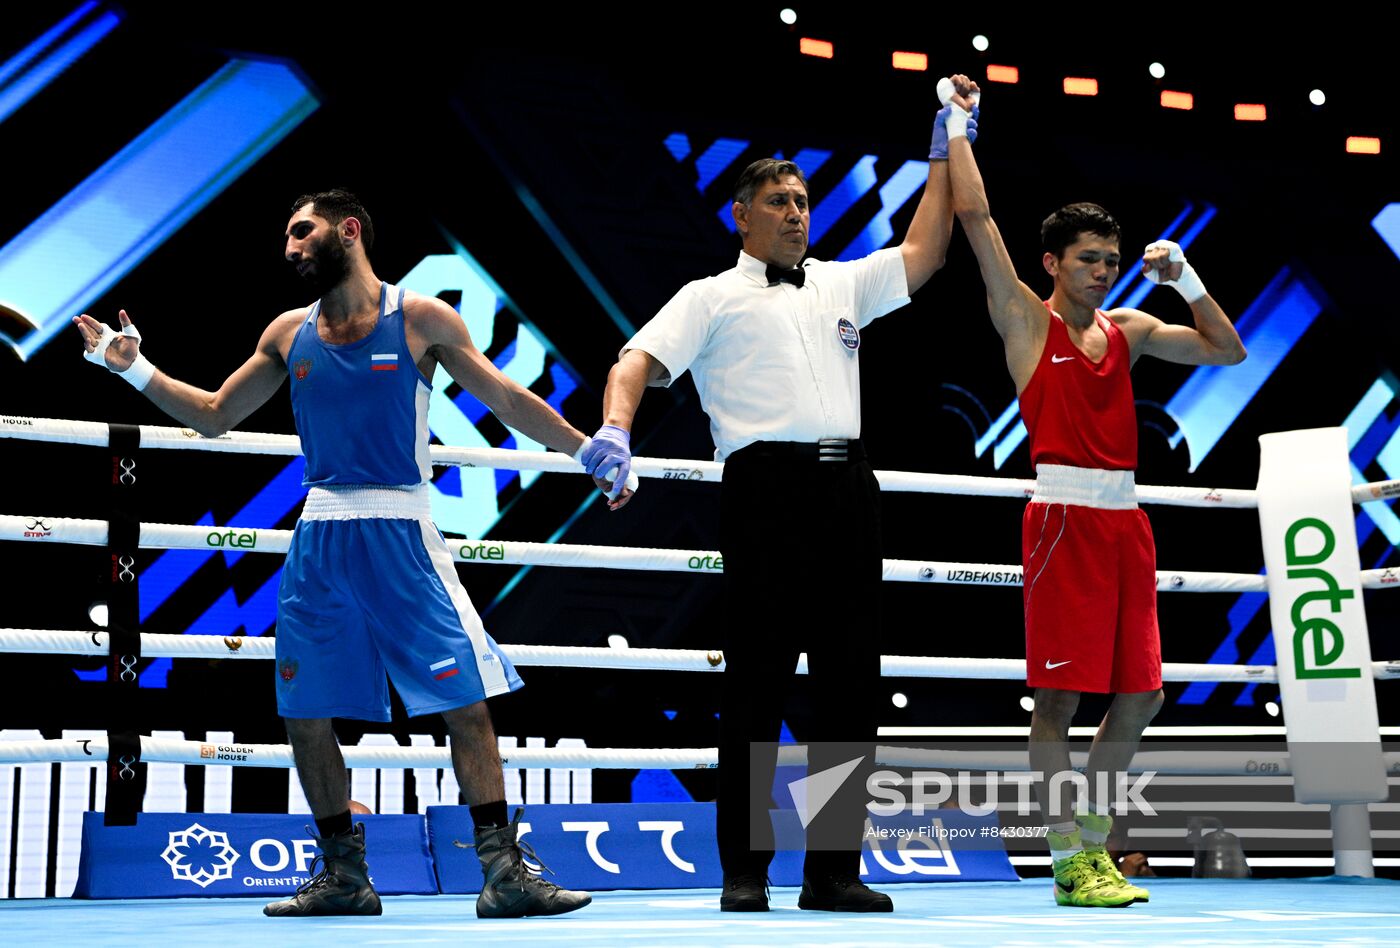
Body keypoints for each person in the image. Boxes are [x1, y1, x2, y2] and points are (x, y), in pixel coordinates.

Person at [74, 189, 604, 919]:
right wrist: (133, 369)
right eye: (287, 237)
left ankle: (504, 874)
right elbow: (215, 416)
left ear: (348, 229)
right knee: (305, 709)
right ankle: (345, 877)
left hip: (402, 531)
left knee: (465, 702)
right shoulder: (288, 333)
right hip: (321, 534)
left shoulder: (421, 318)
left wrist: (586, 450)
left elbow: (507, 399)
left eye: (303, 231)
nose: (290, 248)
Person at [580, 95, 975, 912]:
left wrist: (945, 145)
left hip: (847, 488)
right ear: (742, 215)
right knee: (756, 685)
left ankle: (832, 871)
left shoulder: (841, 281)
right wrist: (616, 430)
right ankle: (745, 871)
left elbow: (928, 249)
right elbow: (634, 361)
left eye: (801, 201)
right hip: (763, 492)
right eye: (778, 202)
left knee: (848, 686)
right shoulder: (709, 295)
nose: (796, 213)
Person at [943, 77, 1246, 907]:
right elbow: (975, 218)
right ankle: (1068, 860)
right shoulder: (1025, 320)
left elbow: (1228, 353)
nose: (1104, 273)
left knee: (1143, 694)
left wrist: (1185, 277)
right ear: (1052, 263)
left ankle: (1094, 844)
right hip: (1062, 521)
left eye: (1112, 261)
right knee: (1059, 699)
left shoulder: (1131, 331)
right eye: (1089, 260)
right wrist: (957, 126)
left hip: (1126, 523)